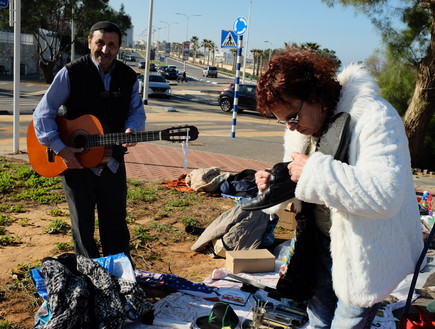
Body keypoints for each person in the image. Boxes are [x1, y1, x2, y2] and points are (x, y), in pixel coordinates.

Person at [253, 48, 423, 328]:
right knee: (318, 320)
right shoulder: (303, 126)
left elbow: (387, 194)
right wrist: (276, 180)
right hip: (319, 245)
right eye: (284, 122)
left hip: (364, 255)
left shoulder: (375, 116)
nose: (292, 128)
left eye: (294, 118)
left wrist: (314, 172)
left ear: (316, 95)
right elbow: (298, 173)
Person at [32, 21, 146, 261]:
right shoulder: (70, 73)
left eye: (112, 45)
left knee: (115, 224)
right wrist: (62, 149)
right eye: (100, 43)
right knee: (83, 228)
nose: (105, 50)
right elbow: (43, 113)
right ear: (89, 43)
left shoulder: (128, 77)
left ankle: (120, 278)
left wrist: (132, 128)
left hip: (112, 163)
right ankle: (90, 277)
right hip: (75, 164)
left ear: (118, 47)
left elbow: (136, 112)